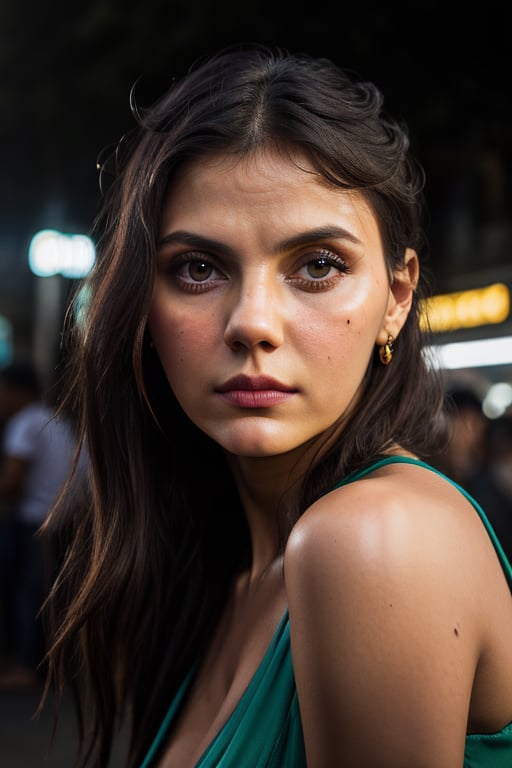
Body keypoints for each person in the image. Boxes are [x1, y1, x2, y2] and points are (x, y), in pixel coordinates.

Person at [41, 45, 512, 767]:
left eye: (318, 265)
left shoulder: (373, 540)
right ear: (143, 303)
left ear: (397, 297)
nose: (252, 323)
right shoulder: (230, 573)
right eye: (198, 268)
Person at [0, 361, 78, 689]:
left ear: (19, 392)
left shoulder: (24, 424)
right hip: (62, 521)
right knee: (48, 594)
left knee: (31, 595)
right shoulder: (56, 421)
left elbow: (11, 480)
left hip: (37, 521)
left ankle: (28, 668)